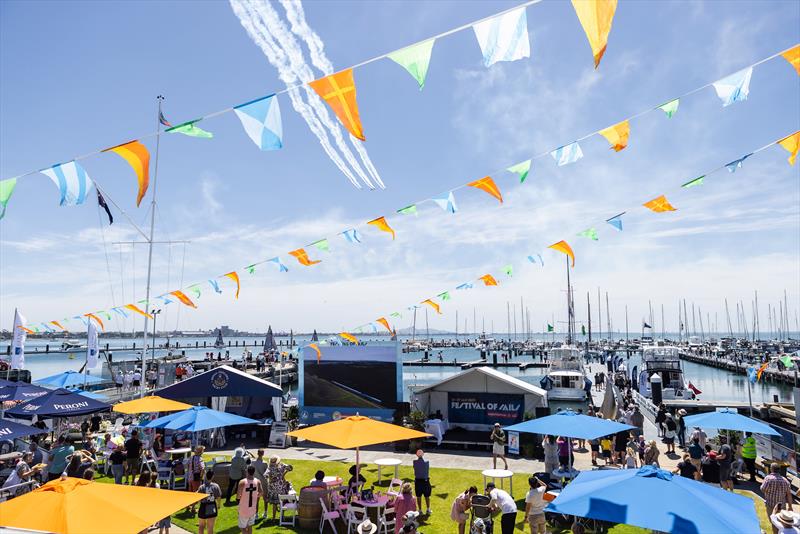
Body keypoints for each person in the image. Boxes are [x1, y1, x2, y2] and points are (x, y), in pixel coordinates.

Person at [762, 463, 794, 533]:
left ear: (771, 469)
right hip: (782, 506)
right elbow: (789, 494)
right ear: (779, 470)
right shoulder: (785, 481)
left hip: (770, 505)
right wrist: (790, 506)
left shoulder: (768, 478)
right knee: (782, 523)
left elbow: (763, 489)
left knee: (774, 522)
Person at [266, 455, 293, 520]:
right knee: (282, 502)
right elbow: (290, 468)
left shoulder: (270, 468)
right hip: (281, 486)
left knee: (274, 504)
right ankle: (282, 517)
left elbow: (266, 475)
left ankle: (273, 518)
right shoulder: (282, 466)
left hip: (273, 488)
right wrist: (284, 474)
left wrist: (271, 478)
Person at [237, 465, 263, 534]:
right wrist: (255, 496)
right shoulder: (258, 481)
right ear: (254, 472)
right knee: (250, 526)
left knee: (242, 527)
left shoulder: (242, 482)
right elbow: (261, 493)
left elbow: (238, 496)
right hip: (253, 508)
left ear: (247, 471)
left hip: (243, 508)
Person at [187, 446, 206, 513]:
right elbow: (203, 468)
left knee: (190, 492)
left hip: (190, 477)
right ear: (201, 452)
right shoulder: (200, 459)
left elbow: (188, 465)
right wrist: (201, 477)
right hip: (196, 478)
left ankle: (188, 505)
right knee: (196, 493)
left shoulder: (191, 457)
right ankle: (193, 508)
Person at [412, 449, 431, 515]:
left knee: (419, 496)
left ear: (416, 455)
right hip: (425, 482)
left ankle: (420, 510)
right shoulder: (427, 462)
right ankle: (428, 509)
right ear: (423, 454)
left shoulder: (414, 462)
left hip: (418, 482)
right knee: (427, 496)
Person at [251, 449, 269, 517]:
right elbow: (267, 474)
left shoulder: (253, 462)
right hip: (264, 482)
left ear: (257, 453)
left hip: (255, 482)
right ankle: (265, 513)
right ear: (263, 454)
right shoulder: (265, 463)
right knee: (265, 498)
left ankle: (256, 514)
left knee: (256, 499)